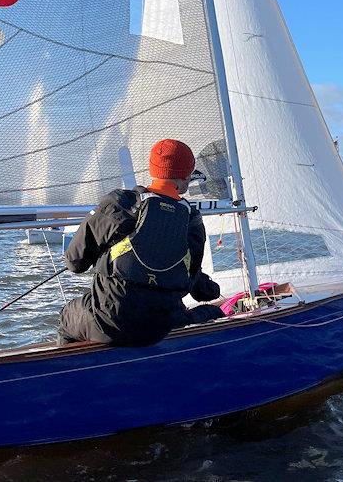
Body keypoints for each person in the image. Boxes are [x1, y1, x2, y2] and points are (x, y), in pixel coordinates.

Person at [58, 139, 225, 347]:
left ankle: (73, 372)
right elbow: (193, 281)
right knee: (216, 311)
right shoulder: (192, 219)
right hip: (162, 327)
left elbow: (75, 263)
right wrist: (212, 291)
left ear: (152, 169)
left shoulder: (119, 203)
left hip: (107, 324)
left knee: (67, 316)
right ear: (187, 176)